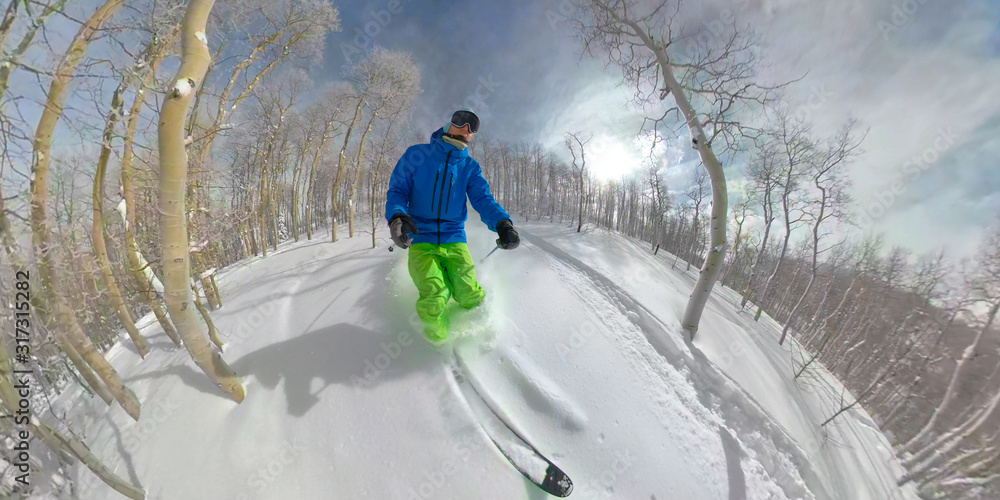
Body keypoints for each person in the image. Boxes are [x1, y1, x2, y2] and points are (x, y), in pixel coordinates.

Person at [385, 108, 519, 344]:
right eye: (460, 121)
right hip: (420, 236)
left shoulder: (470, 167)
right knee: (434, 294)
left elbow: (482, 199)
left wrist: (502, 223)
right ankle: (437, 351)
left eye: (472, 127)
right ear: (449, 123)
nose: (465, 129)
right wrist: (398, 217)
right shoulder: (417, 155)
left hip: (454, 237)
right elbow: (398, 190)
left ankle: (477, 338)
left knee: (467, 292)